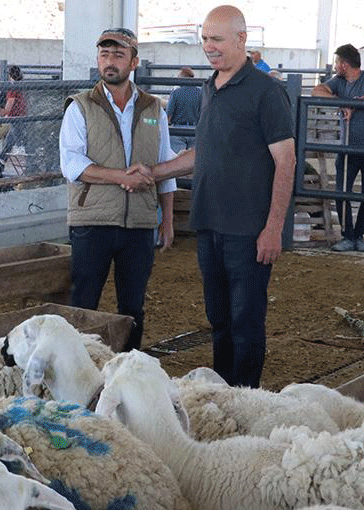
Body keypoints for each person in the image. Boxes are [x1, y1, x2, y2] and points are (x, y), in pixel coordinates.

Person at [137, 5, 295, 388]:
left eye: (217, 39)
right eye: (205, 39)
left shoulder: (266, 92)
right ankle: (224, 393)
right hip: (209, 224)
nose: (209, 47)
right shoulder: (210, 86)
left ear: (241, 39)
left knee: (246, 320)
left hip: (248, 230)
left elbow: (286, 162)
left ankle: (245, 397)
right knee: (219, 318)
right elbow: (202, 153)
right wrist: (153, 173)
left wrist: (273, 228)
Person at [58, 27, 176, 352]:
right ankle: (77, 372)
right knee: (83, 305)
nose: (110, 62)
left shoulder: (154, 109)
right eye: (104, 55)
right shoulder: (79, 107)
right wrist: (122, 178)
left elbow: (166, 164)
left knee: (133, 308)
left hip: (139, 223)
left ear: (134, 61)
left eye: (118, 55)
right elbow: (72, 165)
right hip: (92, 220)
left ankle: (129, 371)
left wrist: (167, 219)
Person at [312, 43, 364, 252]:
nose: (335, 66)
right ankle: (348, 235)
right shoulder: (339, 82)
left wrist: (355, 103)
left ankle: (359, 236)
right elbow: (318, 90)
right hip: (347, 147)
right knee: (342, 191)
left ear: (344, 64)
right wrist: (341, 101)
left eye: (336, 62)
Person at [165, 66, 203, 152]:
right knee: (193, 160)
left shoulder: (176, 93)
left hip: (177, 130)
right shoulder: (200, 92)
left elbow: (169, 114)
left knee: (177, 159)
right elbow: (204, 112)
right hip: (194, 130)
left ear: (182, 78)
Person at [0, 65, 27, 161]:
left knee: (22, 144)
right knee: (10, 141)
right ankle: (2, 159)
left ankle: (31, 164)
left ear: (10, 75)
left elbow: (9, 105)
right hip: (21, 116)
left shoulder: (12, 87)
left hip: (16, 117)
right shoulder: (20, 84)